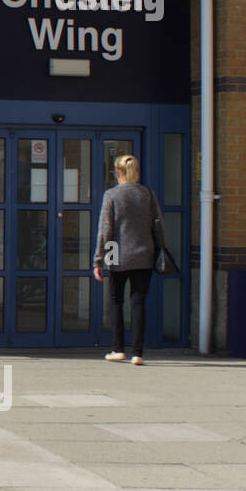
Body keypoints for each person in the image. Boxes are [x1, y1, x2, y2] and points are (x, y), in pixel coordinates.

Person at [92, 154, 165, 366]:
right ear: (136, 171)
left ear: (118, 172)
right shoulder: (147, 193)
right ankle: (138, 354)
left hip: (117, 252)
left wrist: (99, 260)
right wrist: (160, 249)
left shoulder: (112, 194)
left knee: (116, 300)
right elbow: (158, 224)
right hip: (144, 254)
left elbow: (106, 230)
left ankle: (118, 349)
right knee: (138, 302)